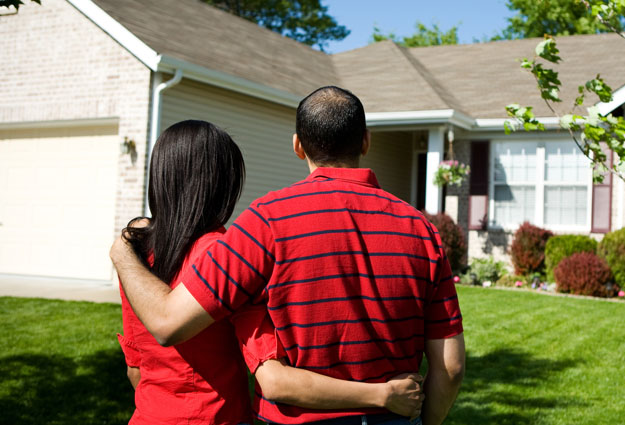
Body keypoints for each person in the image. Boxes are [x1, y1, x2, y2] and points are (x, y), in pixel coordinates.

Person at [111, 87, 466, 425]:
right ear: (365, 141)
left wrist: (123, 250)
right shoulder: (422, 229)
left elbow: (153, 343)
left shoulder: (264, 222)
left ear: (298, 146)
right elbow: (450, 367)